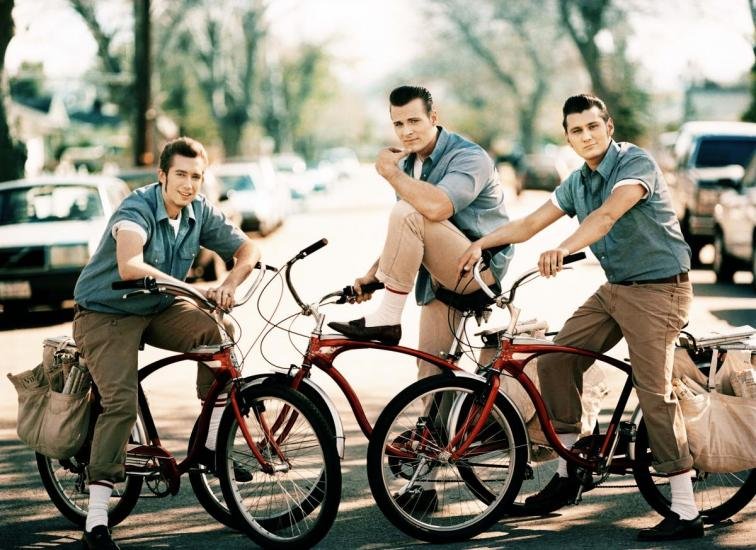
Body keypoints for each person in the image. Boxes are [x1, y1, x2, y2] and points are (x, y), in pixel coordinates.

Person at [458, 94, 701, 541]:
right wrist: (481, 244)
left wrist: (564, 248)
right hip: (616, 289)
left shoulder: (634, 163)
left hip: (660, 290)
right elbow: (529, 224)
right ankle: (570, 473)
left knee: (654, 392)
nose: (586, 136)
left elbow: (608, 216)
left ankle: (686, 511)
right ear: (568, 138)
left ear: (609, 126)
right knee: (556, 359)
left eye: (593, 126)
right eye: (577, 130)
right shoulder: (578, 181)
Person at [72, 137, 260, 549]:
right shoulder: (136, 208)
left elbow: (248, 249)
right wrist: (192, 290)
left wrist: (229, 284)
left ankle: (210, 446)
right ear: (162, 176)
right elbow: (129, 265)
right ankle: (97, 518)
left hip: (157, 307)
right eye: (180, 175)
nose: (189, 184)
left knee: (218, 333)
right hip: (106, 312)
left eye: (197, 176)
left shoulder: (198, 210)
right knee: (121, 405)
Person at [329, 85, 513, 384]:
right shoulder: (407, 165)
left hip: (480, 270)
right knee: (430, 375)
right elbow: (409, 231)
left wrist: (390, 173)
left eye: (414, 121)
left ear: (433, 118)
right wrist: (374, 275)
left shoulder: (469, 156)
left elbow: (437, 208)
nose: (406, 131)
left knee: (408, 209)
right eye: (399, 124)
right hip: (440, 279)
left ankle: (388, 318)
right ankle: (455, 417)